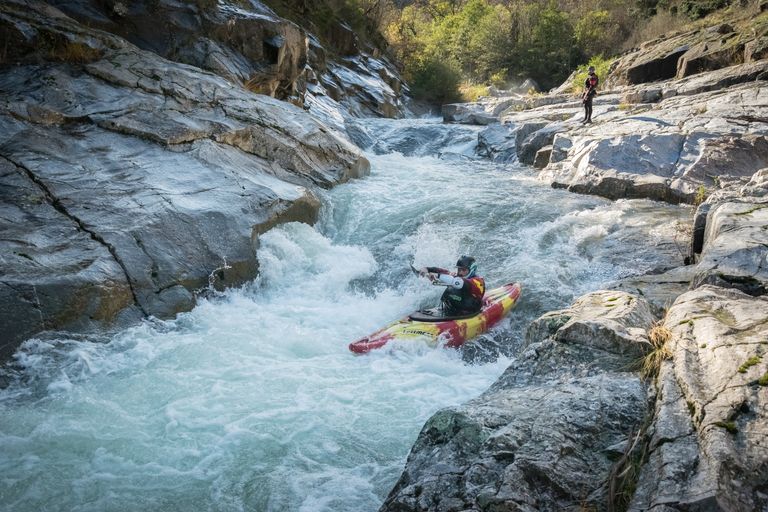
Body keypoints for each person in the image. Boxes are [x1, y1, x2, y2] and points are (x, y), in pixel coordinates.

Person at [419, 256, 486, 316]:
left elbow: (459, 283)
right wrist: (427, 269)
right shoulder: (457, 276)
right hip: (451, 310)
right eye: (459, 269)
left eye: (463, 270)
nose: (460, 273)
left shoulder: (478, 282)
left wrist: (437, 275)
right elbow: (443, 271)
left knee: (453, 287)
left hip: (469, 312)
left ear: (472, 270)